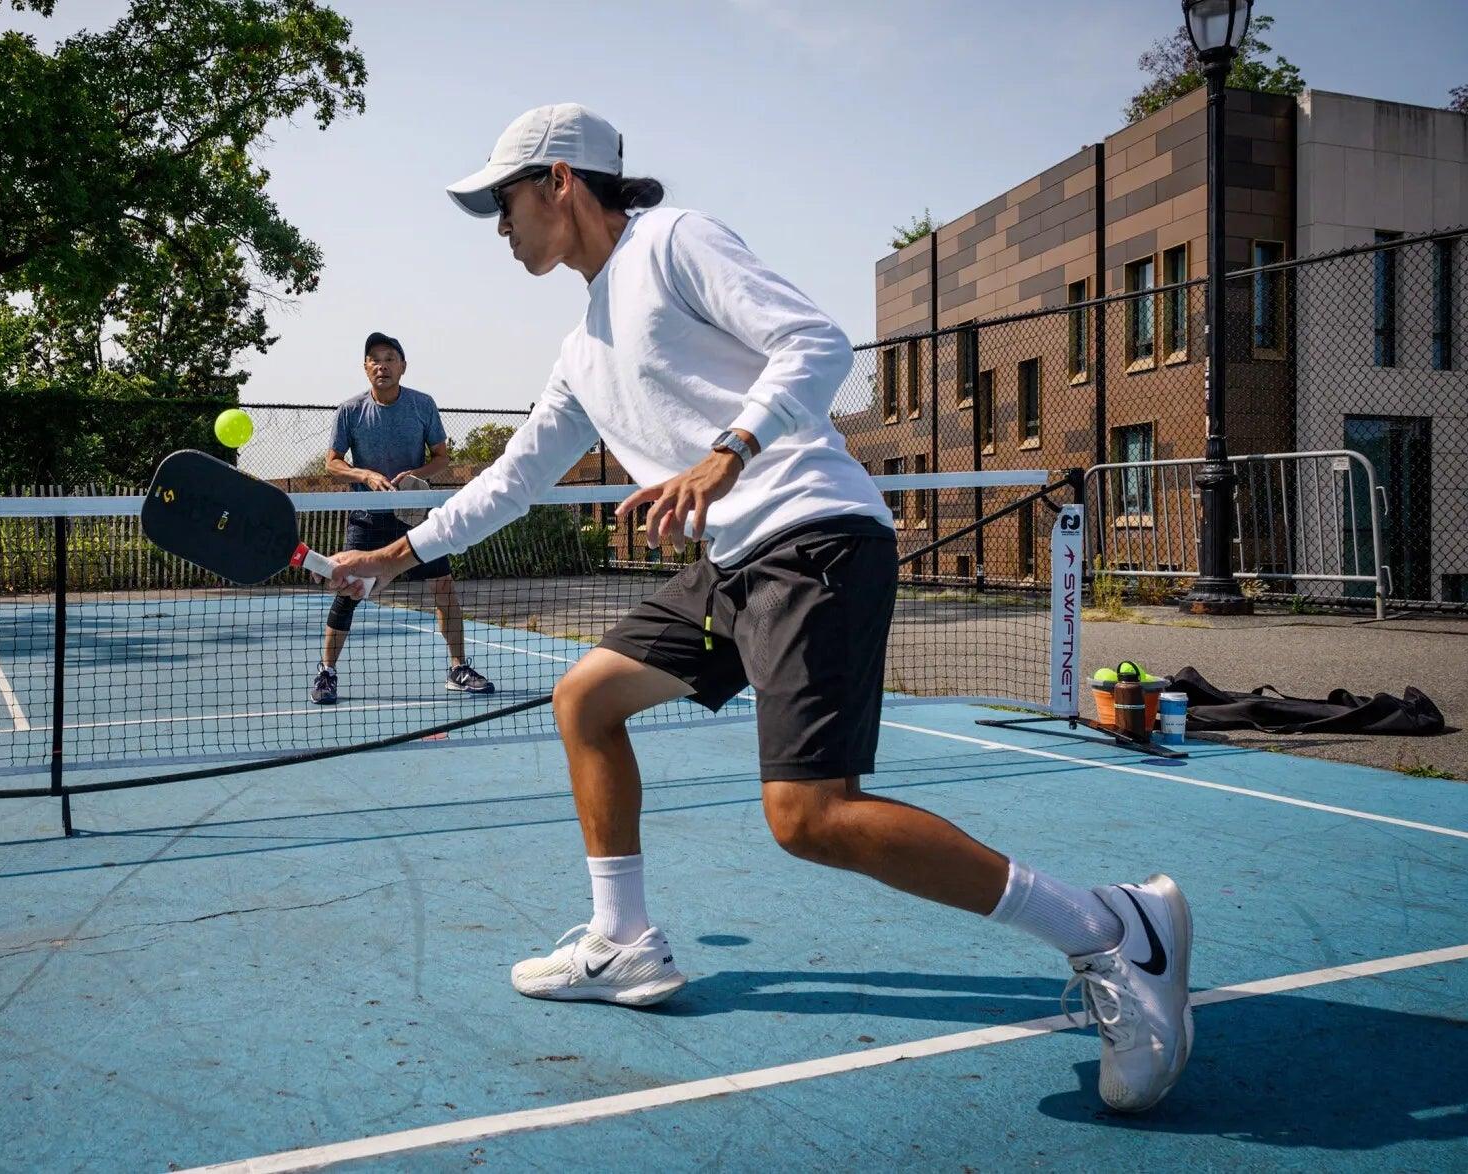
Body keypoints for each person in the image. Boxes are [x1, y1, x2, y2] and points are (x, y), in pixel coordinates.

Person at [325, 105, 1193, 1112]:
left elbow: (815, 343)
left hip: (810, 536)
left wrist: (725, 451)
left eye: (502, 199)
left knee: (809, 817)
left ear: (560, 181)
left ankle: (1112, 926)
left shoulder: (673, 242)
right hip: (733, 560)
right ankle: (624, 942)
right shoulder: (579, 350)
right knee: (585, 700)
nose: (497, 224)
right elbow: (514, 479)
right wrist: (397, 553)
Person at [311, 331, 495, 705]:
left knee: (443, 586)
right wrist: (364, 474)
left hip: (416, 517)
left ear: (403, 366)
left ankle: (458, 668)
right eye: (375, 359)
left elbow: (442, 457)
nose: (383, 365)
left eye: (390, 358)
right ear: (365, 369)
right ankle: (326, 674)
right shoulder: (349, 411)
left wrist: (418, 474)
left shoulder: (422, 405)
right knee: (348, 593)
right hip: (367, 516)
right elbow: (332, 463)